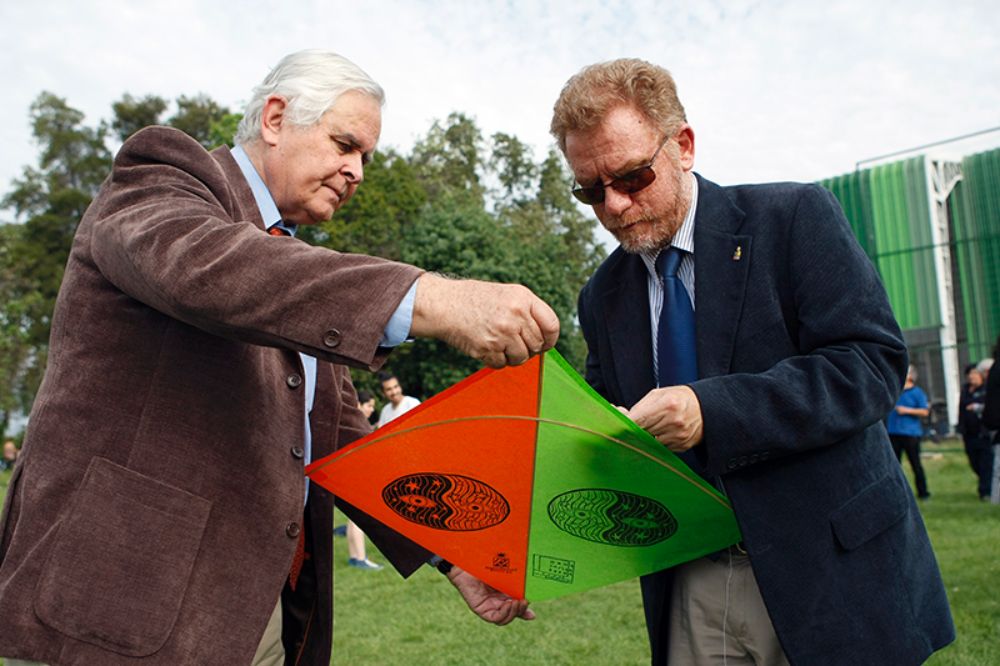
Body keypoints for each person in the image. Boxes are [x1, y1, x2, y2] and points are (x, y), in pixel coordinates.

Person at [0, 49, 556, 666]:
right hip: (121, 604)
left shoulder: (294, 274)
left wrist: (450, 556)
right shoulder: (162, 175)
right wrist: (428, 295)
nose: (357, 171)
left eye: (365, 157)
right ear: (274, 119)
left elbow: (349, 446)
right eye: (345, 144)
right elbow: (206, 269)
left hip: (254, 616)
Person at [551, 58, 954, 665]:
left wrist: (711, 410)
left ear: (683, 146)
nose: (613, 206)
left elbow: (869, 364)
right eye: (590, 190)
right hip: (688, 581)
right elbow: (605, 422)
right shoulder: (601, 294)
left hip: (825, 570)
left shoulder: (791, 219)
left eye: (632, 178)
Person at [344, 390, 383, 570]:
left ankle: (354, 556)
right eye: (369, 406)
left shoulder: (346, 423)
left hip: (349, 475)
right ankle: (360, 558)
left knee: (352, 518)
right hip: (355, 475)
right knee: (359, 517)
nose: (371, 410)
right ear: (358, 404)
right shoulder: (354, 425)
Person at [887, 365, 932, 499]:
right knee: (893, 466)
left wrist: (907, 411)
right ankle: (895, 494)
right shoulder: (894, 391)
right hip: (893, 432)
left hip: (910, 434)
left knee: (915, 464)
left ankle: (923, 493)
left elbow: (925, 411)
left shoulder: (917, 393)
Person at [957, 363, 991, 499]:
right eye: (969, 374)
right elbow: (961, 409)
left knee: (986, 462)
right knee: (974, 462)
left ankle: (985, 491)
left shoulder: (987, 390)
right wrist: (960, 427)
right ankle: (985, 483)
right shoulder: (965, 390)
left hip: (983, 432)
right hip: (969, 433)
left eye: (975, 374)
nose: (971, 377)